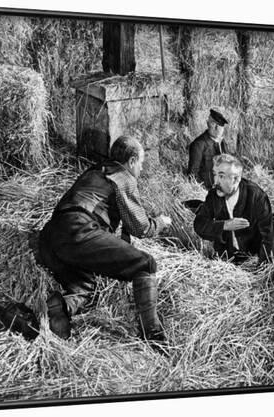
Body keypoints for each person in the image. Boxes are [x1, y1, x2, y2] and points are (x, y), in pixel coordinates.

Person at [35, 136, 172, 345]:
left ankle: (58, 307)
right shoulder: (123, 177)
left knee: (85, 289)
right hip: (79, 231)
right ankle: (152, 334)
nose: (142, 169)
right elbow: (142, 228)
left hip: (50, 237)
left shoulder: (96, 170)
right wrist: (161, 222)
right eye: (141, 163)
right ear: (132, 161)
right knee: (146, 264)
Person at [194, 154, 274, 264]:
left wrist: (261, 269)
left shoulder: (256, 196)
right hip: (227, 259)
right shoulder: (213, 195)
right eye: (214, 174)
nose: (215, 182)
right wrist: (224, 225)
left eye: (221, 176)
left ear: (236, 179)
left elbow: (269, 237)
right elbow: (199, 225)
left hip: (255, 255)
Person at [187, 108, 229, 190]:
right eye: (213, 124)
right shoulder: (198, 145)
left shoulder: (223, 142)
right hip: (209, 190)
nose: (217, 128)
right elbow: (192, 175)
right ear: (207, 123)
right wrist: (205, 191)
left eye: (220, 125)